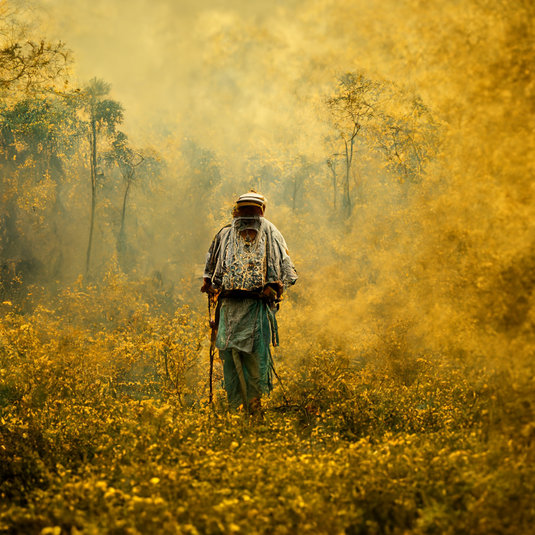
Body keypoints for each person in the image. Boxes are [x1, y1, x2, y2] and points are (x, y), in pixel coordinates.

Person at [201, 191, 298, 414]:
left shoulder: (271, 233)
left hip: (256, 309)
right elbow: (210, 269)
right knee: (230, 361)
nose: (247, 216)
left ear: (261, 212)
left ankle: (254, 412)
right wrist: (210, 285)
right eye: (244, 210)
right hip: (228, 310)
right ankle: (236, 410)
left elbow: (286, 271)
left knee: (254, 364)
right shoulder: (224, 235)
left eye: (251, 211)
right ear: (237, 212)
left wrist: (273, 287)